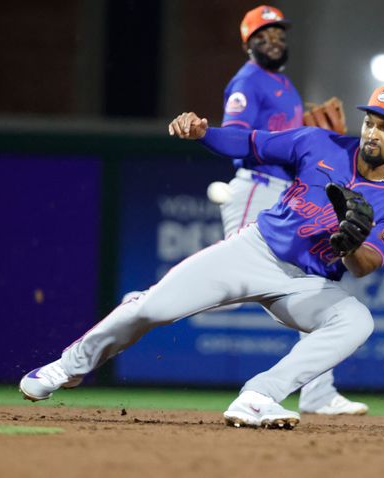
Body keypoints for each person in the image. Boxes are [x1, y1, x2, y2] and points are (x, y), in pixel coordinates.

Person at [19, 85, 384, 430]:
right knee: (154, 308)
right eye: (370, 121)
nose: (373, 132)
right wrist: (203, 132)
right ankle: (65, 368)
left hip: (307, 283)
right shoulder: (320, 144)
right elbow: (250, 143)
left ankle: (258, 396)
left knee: (356, 320)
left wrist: (351, 243)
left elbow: (366, 263)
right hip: (257, 250)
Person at [124, 5, 363, 415]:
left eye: (278, 34)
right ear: (247, 43)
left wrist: (314, 133)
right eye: (263, 35)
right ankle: (146, 301)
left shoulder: (283, 84)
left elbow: (286, 139)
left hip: (283, 192)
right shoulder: (247, 81)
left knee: (308, 281)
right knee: (234, 281)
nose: (273, 40)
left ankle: (319, 393)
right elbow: (237, 133)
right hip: (258, 187)